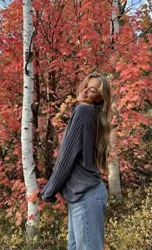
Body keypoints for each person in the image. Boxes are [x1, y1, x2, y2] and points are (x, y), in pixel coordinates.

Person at [41, 73, 112, 250]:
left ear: (99, 98)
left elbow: (66, 157)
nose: (86, 90)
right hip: (83, 195)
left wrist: (49, 190)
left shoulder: (84, 111)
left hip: (86, 195)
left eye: (93, 90)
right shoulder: (91, 114)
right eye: (87, 84)